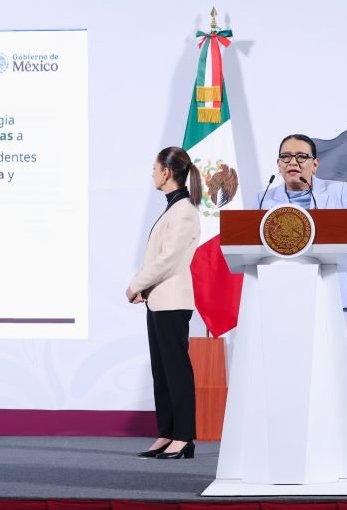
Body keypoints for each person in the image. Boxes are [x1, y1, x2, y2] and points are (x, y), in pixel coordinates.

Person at [127, 146, 201, 459]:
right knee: (162, 371)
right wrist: (147, 289)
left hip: (172, 301)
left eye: (155, 169)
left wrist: (136, 284)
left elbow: (168, 259)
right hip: (159, 299)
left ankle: (184, 437)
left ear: (166, 172)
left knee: (176, 370)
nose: (153, 174)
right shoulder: (174, 207)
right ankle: (167, 432)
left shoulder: (184, 210)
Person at [256, 134, 347, 309]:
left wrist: (331, 252)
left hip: (330, 290)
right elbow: (253, 245)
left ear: (315, 164)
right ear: (279, 164)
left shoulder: (337, 191)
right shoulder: (263, 199)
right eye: (286, 157)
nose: (293, 162)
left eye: (301, 156)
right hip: (281, 293)